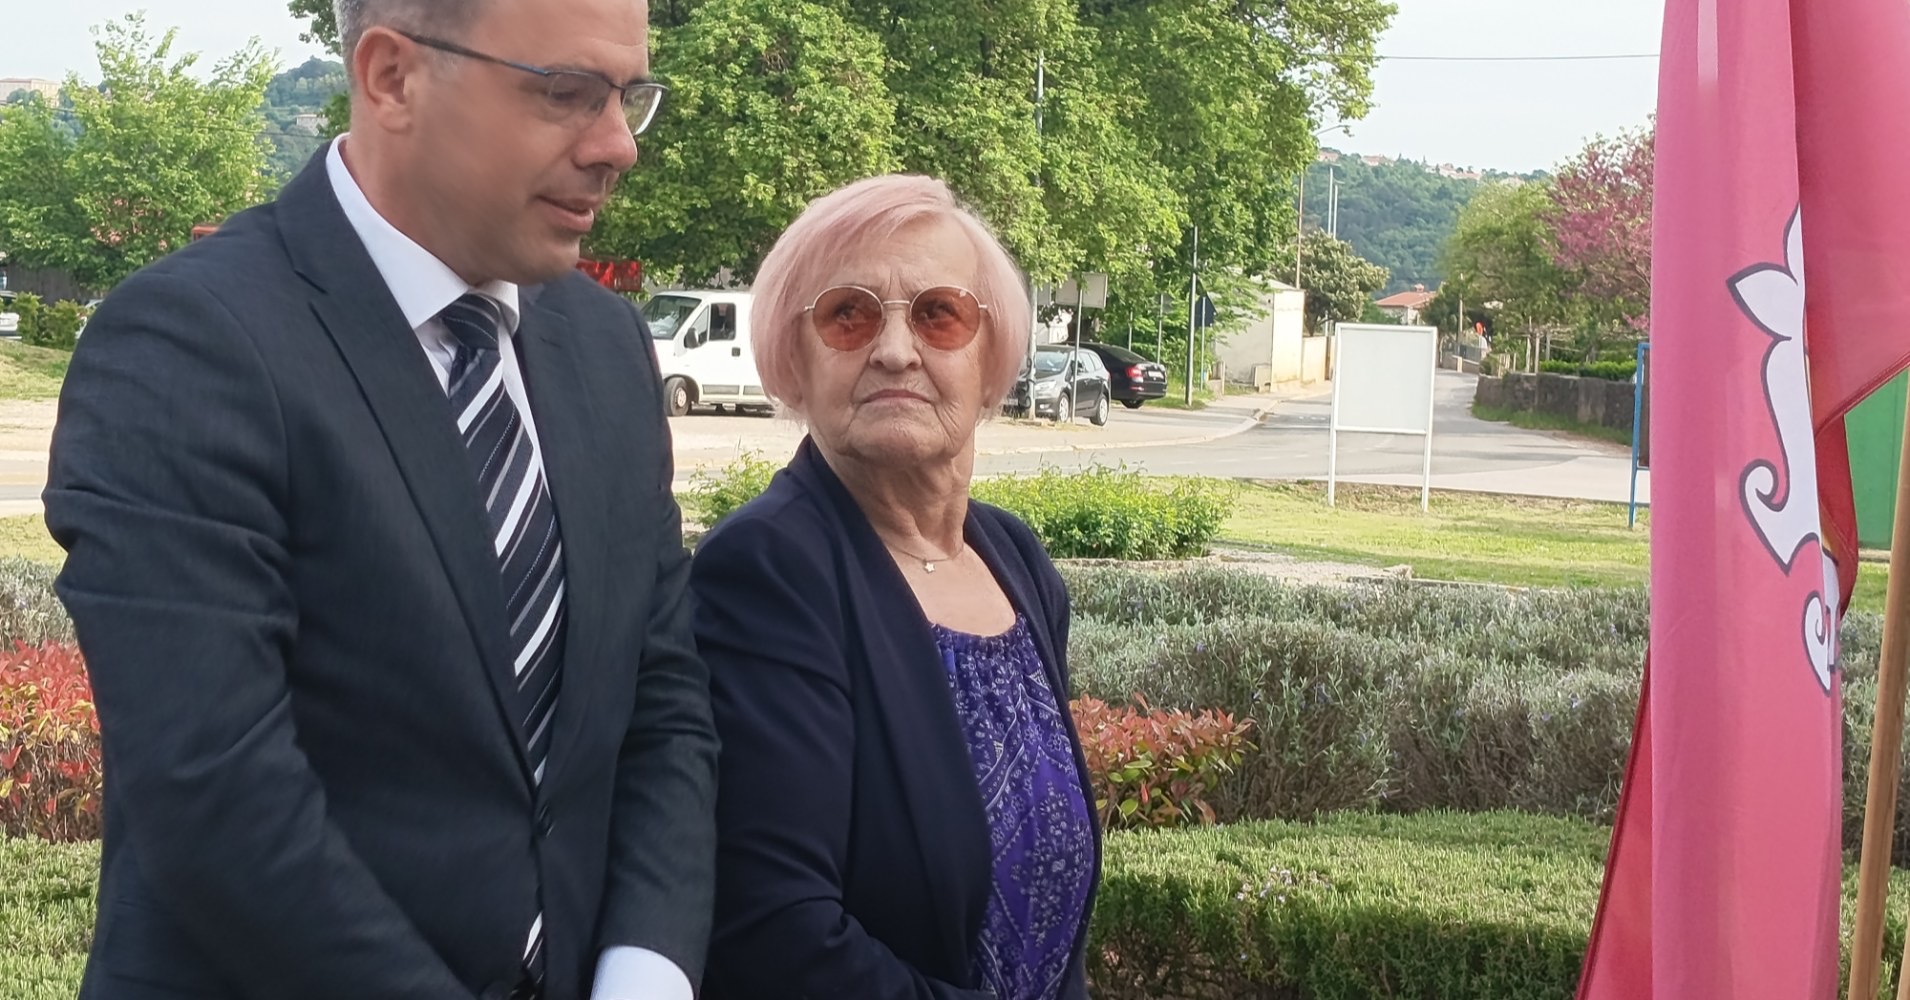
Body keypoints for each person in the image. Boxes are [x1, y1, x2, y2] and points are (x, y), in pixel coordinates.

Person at [44, 1, 716, 998]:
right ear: (393, 77)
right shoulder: (189, 341)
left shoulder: (608, 346)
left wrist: (644, 971)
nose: (618, 145)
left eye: (629, 97)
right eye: (568, 93)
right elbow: (216, 793)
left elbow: (662, 703)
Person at [690, 174, 1102, 1000]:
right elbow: (776, 932)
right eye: (848, 315)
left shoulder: (1014, 559)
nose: (894, 350)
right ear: (794, 358)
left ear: (990, 356)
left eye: (938, 315)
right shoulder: (768, 570)